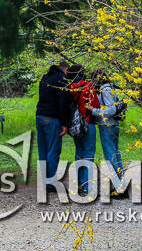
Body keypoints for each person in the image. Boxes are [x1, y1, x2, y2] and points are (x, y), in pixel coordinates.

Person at [90, 68, 129, 199]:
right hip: (113, 125)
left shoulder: (105, 90)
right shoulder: (110, 88)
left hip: (107, 126)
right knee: (116, 155)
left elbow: (111, 110)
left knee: (111, 157)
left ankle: (119, 188)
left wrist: (93, 110)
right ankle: (121, 185)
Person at [36, 60, 72, 192]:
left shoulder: (45, 78)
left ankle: (44, 181)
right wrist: (65, 123)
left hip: (40, 115)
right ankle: (51, 184)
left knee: (43, 150)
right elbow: (63, 103)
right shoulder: (62, 79)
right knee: (53, 150)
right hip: (52, 118)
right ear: (66, 69)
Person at [67, 64, 100, 196]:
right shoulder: (87, 86)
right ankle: (88, 186)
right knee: (89, 153)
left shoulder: (68, 87)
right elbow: (95, 104)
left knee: (79, 153)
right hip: (87, 121)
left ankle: (80, 184)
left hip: (75, 124)